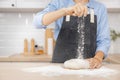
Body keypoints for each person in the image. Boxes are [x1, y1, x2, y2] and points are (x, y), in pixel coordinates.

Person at [33, 0, 110, 69]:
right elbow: (37, 22)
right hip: (60, 67)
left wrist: (97, 59)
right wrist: (65, 11)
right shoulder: (59, 3)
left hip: (89, 67)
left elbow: (104, 41)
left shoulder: (100, 8)